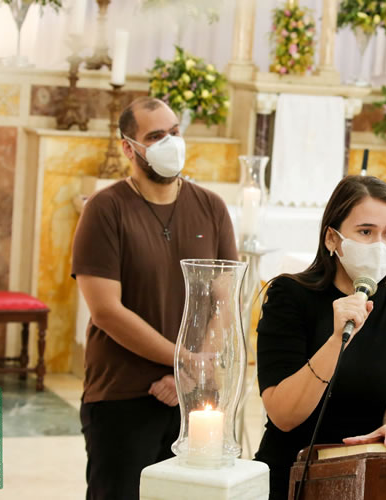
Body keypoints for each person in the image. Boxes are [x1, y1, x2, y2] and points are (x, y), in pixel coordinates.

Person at [71, 96, 238, 500]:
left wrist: (189, 374)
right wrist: (181, 360)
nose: (170, 142)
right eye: (157, 135)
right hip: (124, 394)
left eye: (175, 132)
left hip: (196, 397)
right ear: (129, 147)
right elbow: (107, 311)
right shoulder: (106, 209)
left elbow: (225, 299)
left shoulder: (211, 207)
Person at [254, 176, 386, 500]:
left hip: (370, 478)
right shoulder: (289, 296)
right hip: (293, 474)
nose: (379, 245)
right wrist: (337, 339)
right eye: (365, 232)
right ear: (332, 239)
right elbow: (283, 415)